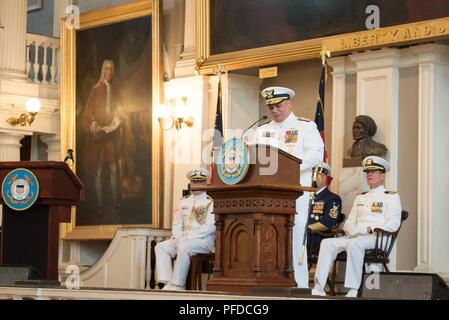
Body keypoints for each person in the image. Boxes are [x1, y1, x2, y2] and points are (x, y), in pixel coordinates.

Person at [255, 86, 324, 288]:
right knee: (268, 241)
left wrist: (289, 166)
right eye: (271, 107)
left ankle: (299, 287)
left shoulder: (305, 127)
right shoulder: (262, 130)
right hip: (267, 196)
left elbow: (316, 154)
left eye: (278, 105)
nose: (274, 110)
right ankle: (270, 285)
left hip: (296, 195)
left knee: (293, 242)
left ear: (288, 103)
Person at [311, 156, 402, 298]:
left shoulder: (391, 197)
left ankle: (353, 288)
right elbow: (349, 223)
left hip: (377, 238)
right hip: (356, 236)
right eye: (367, 172)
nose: (369, 174)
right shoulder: (361, 197)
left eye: (374, 171)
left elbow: (394, 223)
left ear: (383, 176)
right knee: (327, 243)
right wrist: (356, 230)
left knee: (354, 243)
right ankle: (318, 286)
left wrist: (370, 229)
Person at [155, 168, 215, 291]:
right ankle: (167, 282)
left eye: (200, 182)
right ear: (190, 184)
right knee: (161, 247)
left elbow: (210, 227)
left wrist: (187, 238)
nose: (197, 184)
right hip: (183, 239)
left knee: (184, 247)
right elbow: (177, 223)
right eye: (195, 182)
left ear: (206, 183)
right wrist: (178, 237)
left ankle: (178, 285)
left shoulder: (210, 202)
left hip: (203, 241)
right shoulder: (183, 202)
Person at [81, 59, 122, 217]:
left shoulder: (115, 89)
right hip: (98, 135)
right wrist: (95, 125)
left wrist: (117, 118)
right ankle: (99, 206)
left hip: (110, 134)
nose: (109, 72)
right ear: (102, 71)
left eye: (111, 69)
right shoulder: (96, 89)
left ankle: (114, 202)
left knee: (113, 168)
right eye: (106, 69)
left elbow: (118, 108)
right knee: (98, 170)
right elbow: (87, 112)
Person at [307, 163, 342, 252]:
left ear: (325, 178)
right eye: (312, 175)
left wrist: (306, 228)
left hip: (316, 238)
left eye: (317, 175)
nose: (313, 179)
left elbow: (327, 223)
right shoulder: (305, 196)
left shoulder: (333, 199)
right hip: (304, 236)